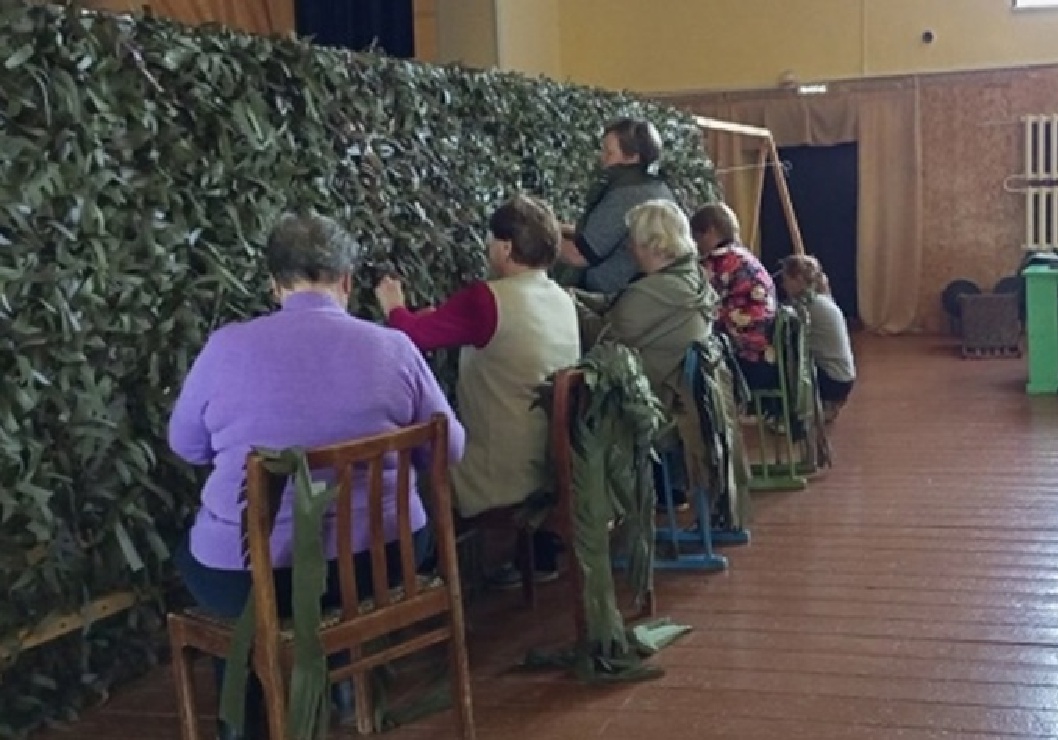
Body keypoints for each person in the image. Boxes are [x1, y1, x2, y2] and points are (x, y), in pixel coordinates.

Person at [169, 213, 465, 740]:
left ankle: (252, 722)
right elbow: (450, 448)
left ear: (274, 283)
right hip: (384, 563)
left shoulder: (225, 348)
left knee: (208, 564)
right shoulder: (393, 348)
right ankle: (338, 681)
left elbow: (186, 446)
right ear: (347, 281)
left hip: (257, 580)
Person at [375, 195, 581, 585]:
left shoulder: (487, 299)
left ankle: (423, 584)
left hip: (497, 468)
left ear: (505, 247)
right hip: (548, 461)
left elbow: (411, 336)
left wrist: (393, 306)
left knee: (411, 470)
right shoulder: (560, 297)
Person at [573, 199, 717, 405]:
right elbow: (614, 302)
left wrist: (567, 304)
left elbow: (601, 338)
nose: (629, 247)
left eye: (632, 239)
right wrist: (575, 295)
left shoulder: (654, 291)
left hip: (645, 399)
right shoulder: (690, 276)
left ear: (652, 244)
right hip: (675, 389)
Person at [556, 118, 676, 295]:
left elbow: (580, 255)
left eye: (609, 153)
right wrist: (557, 227)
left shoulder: (627, 194)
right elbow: (609, 234)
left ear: (633, 157)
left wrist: (536, 236)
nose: (602, 159)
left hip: (611, 300)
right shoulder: (656, 187)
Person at [690, 202, 779, 388]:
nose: (696, 245)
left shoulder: (718, 262)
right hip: (766, 354)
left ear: (711, 231)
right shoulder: (745, 256)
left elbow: (700, 303)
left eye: (697, 237)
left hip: (746, 360)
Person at [778, 254, 857, 423]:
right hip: (843, 378)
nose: (783, 285)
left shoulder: (806, 305)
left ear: (799, 280)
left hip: (832, 380)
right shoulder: (822, 299)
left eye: (786, 280)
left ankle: (789, 412)